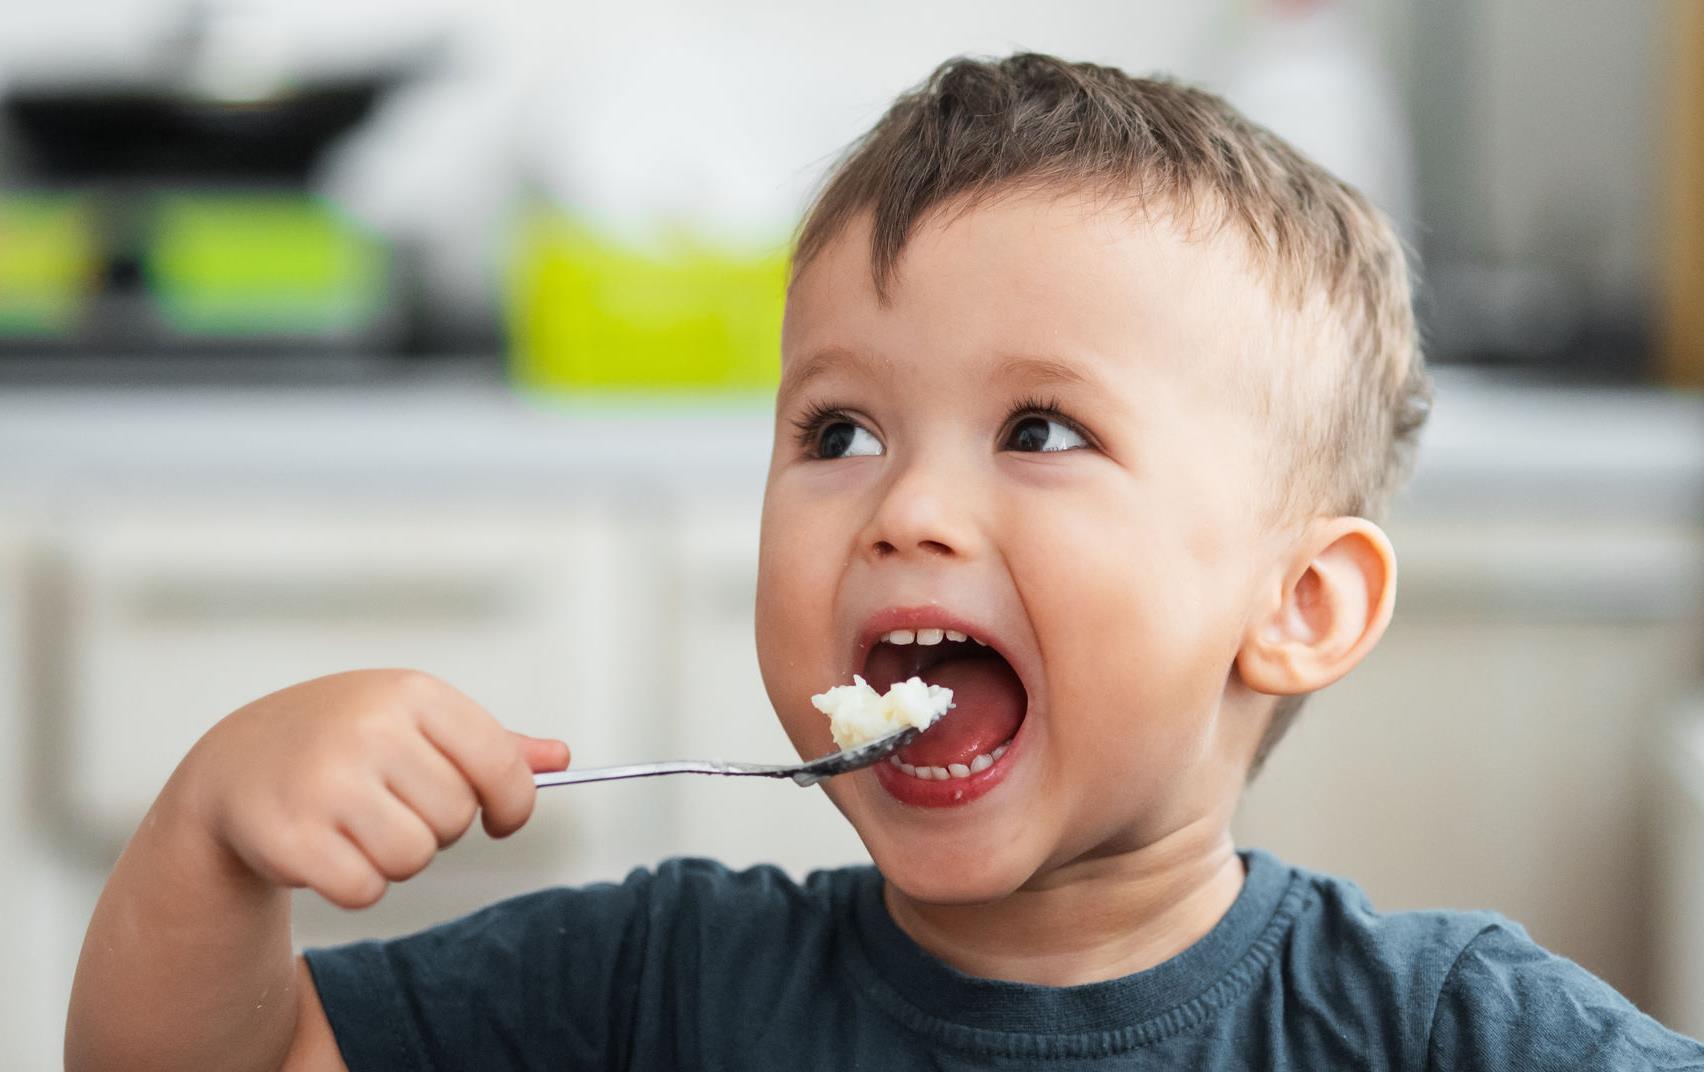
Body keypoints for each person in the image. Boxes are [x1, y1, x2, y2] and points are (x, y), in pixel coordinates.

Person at [65, 53, 1704, 1070]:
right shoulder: (653, 988)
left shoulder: (1447, 1031)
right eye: (838, 432)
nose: (901, 511)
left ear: (1296, 605)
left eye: (1042, 430)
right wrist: (210, 842)